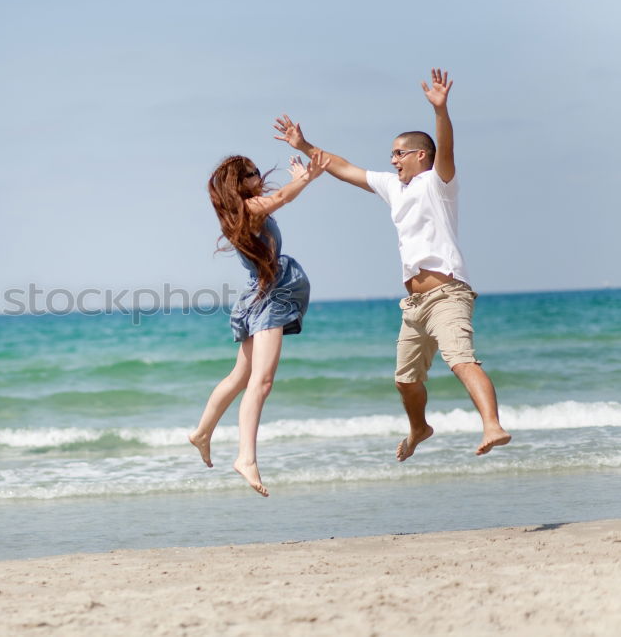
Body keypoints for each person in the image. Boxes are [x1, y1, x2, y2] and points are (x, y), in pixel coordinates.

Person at [274, 69, 511, 461]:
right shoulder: (393, 187)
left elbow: (446, 148)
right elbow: (343, 166)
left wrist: (441, 110)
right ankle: (420, 427)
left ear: (420, 156)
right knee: (405, 381)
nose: (392, 159)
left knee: (462, 360)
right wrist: (304, 144)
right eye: (391, 154)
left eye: (399, 153)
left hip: (448, 293)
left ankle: (492, 424)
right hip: (414, 305)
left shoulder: (439, 183)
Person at [189, 150, 330, 496]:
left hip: (261, 294)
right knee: (261, 381)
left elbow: (279, 198)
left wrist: (305, 179)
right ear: (239, 183)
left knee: (241, 376)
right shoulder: (249, 209)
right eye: (251, 173)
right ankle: (246, 458)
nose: (258, 175)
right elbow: (281, 197)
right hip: (269, 298)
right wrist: (304, 179)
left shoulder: (244, 210)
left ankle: (202, 433)